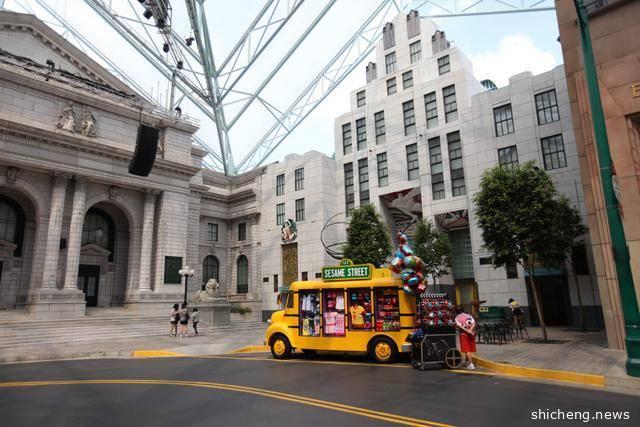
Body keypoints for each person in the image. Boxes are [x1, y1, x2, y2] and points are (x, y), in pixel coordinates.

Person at [454, 306, 477, 370]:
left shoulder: (457, 318)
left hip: (463, 334)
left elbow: (460, 326)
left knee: (467, 350)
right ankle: (467, 363)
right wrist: (470, 330)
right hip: (471, 334)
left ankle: (471, 364)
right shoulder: (469, 315)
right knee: (470, 348)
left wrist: (467, 331)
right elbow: (474, 323)